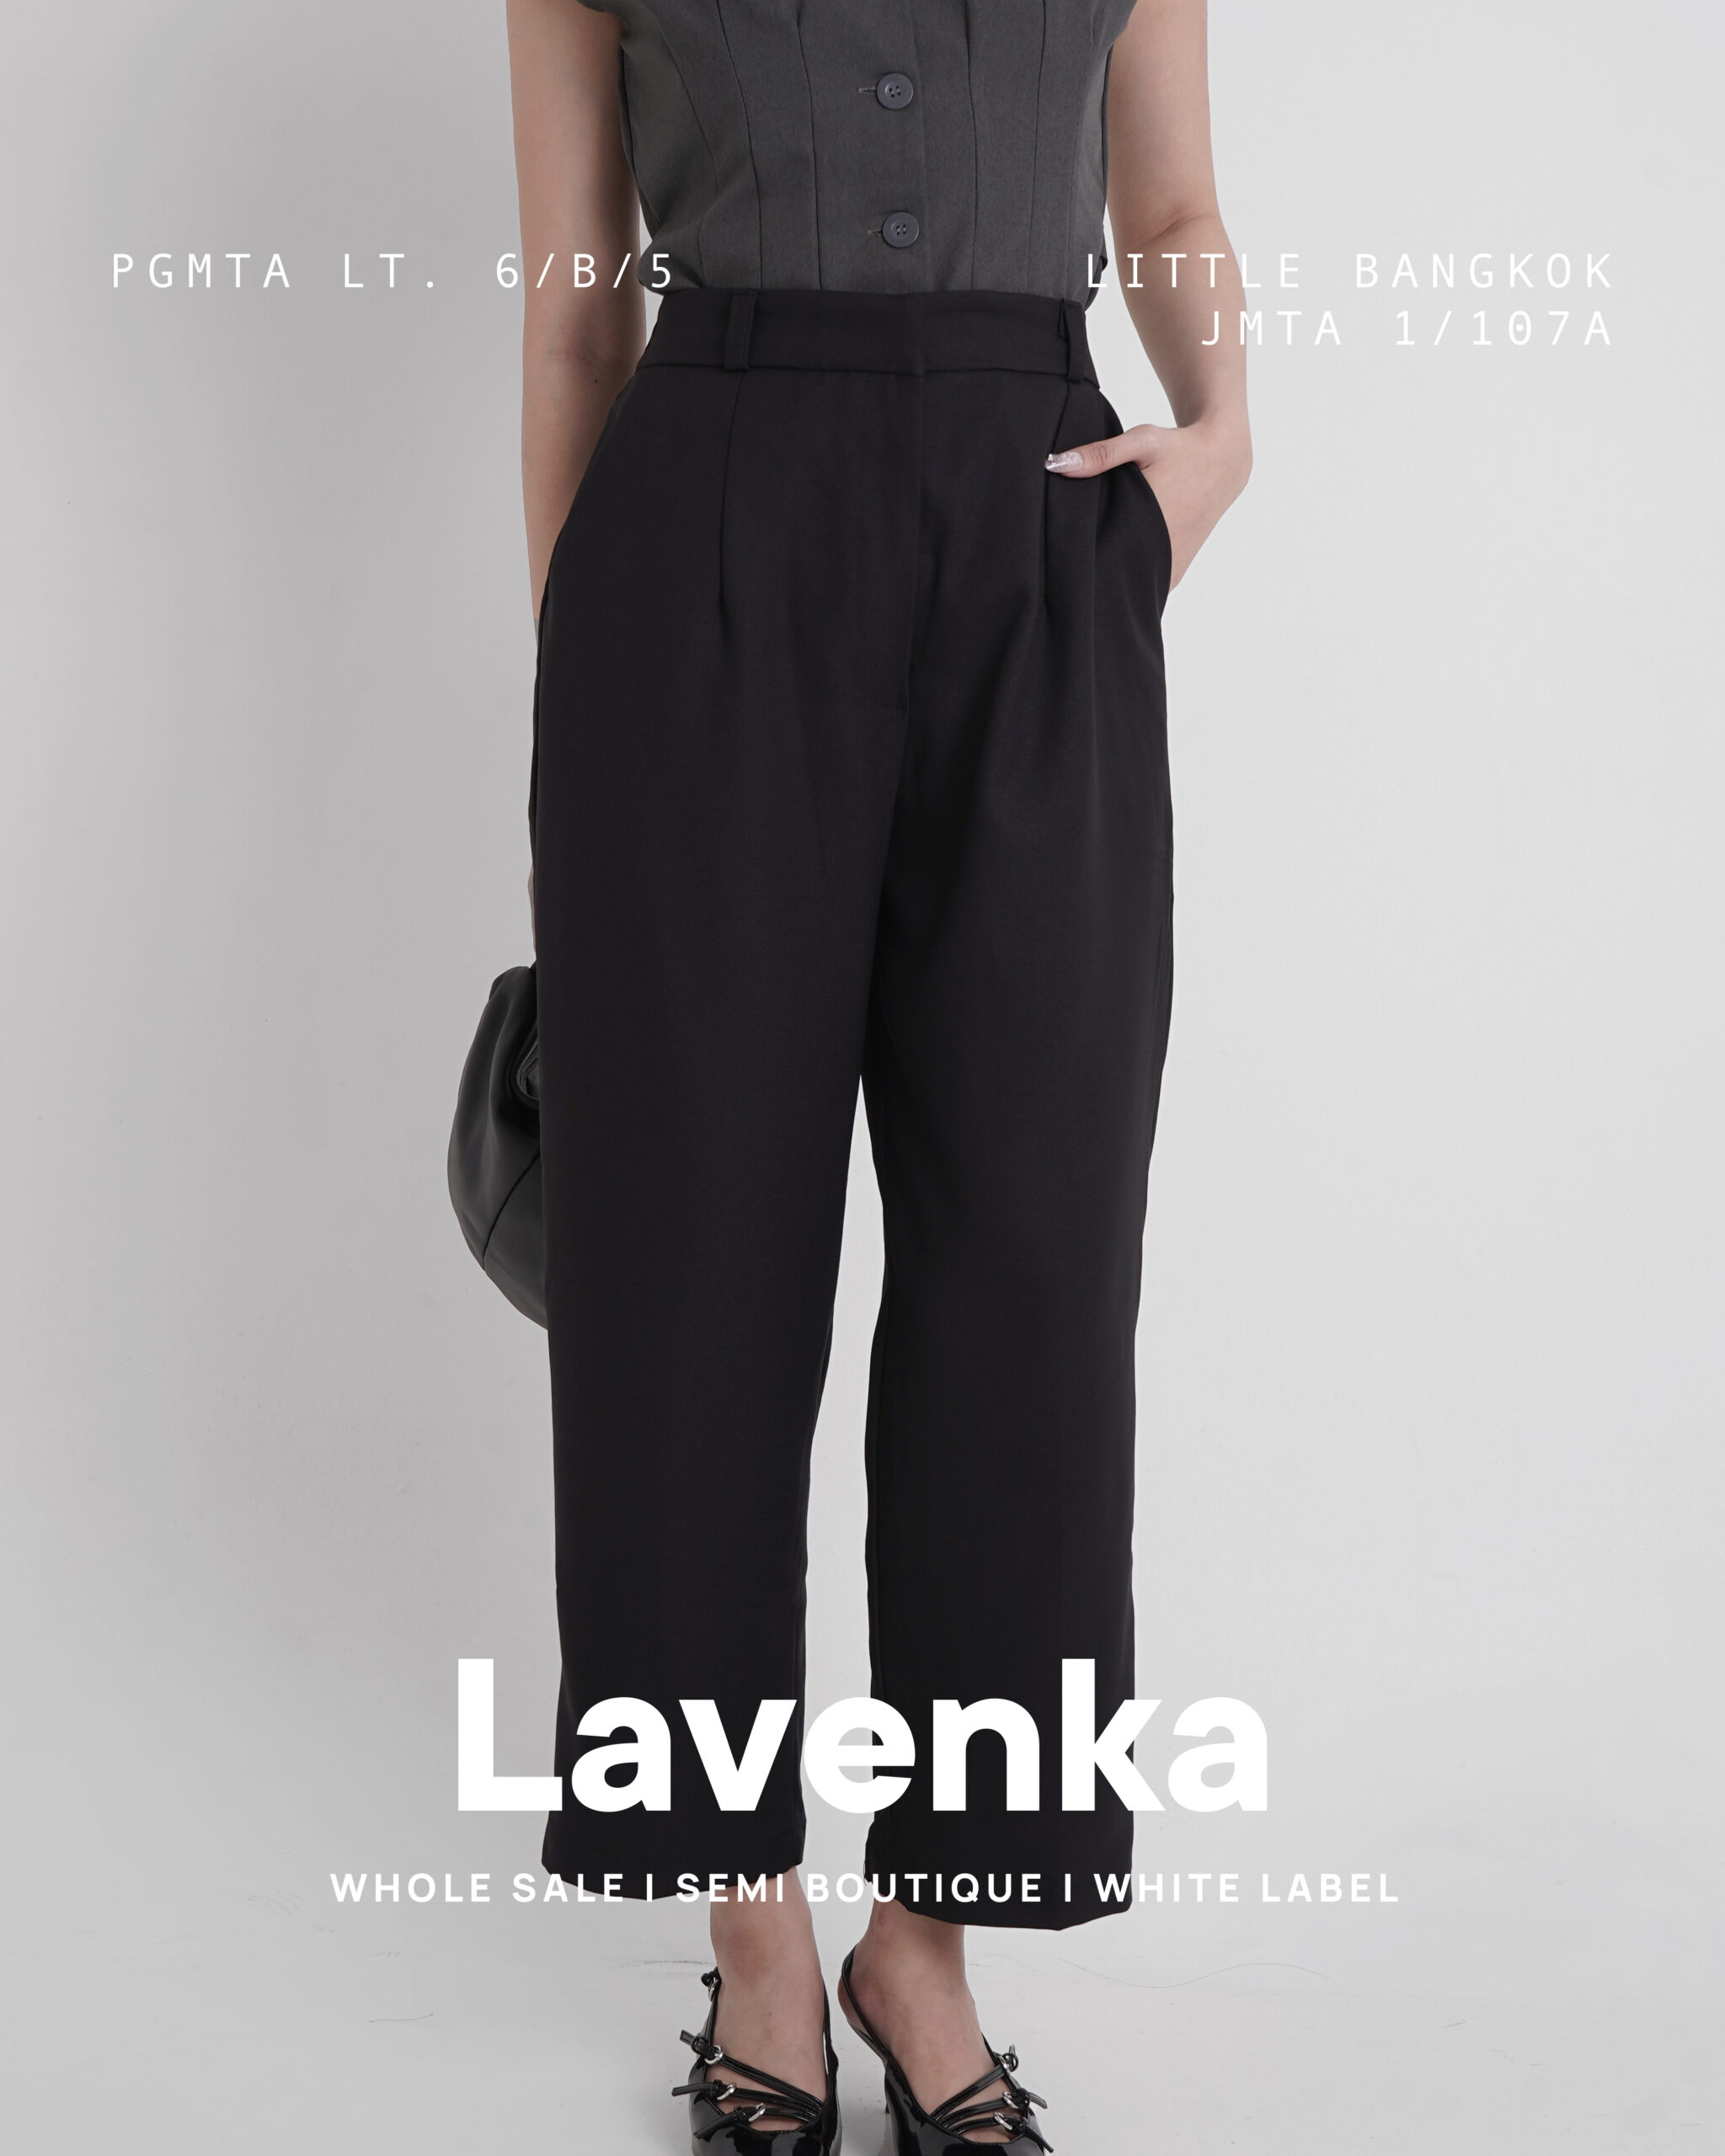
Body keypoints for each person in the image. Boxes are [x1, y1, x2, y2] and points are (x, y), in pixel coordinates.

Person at [505, 0, 1250, 2145]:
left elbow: (1169, 207)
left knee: (1036, 1261)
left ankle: (926, 1934)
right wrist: (593, 687)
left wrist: (1221, 432)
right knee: (683, 1273)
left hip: (1041, 540)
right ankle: (751, 1922)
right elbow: (579, 304)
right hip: (698, 552)